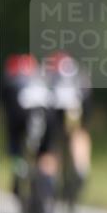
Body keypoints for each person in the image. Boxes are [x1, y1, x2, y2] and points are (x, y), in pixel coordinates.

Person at [0, 53, 57, 213]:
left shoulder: (10, 80)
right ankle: (46, 200)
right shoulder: (43, 78)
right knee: (46, 154)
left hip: (20, 114)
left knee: (16, 145)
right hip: (46, 114)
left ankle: (19, 172)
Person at [43, 51, 93, 203]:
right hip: (76, 103)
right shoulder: (78, 72)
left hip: (55, 105)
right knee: (79, 133)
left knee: (51, 142)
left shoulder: (47, 72)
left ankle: (49, 178)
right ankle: (81, 168)